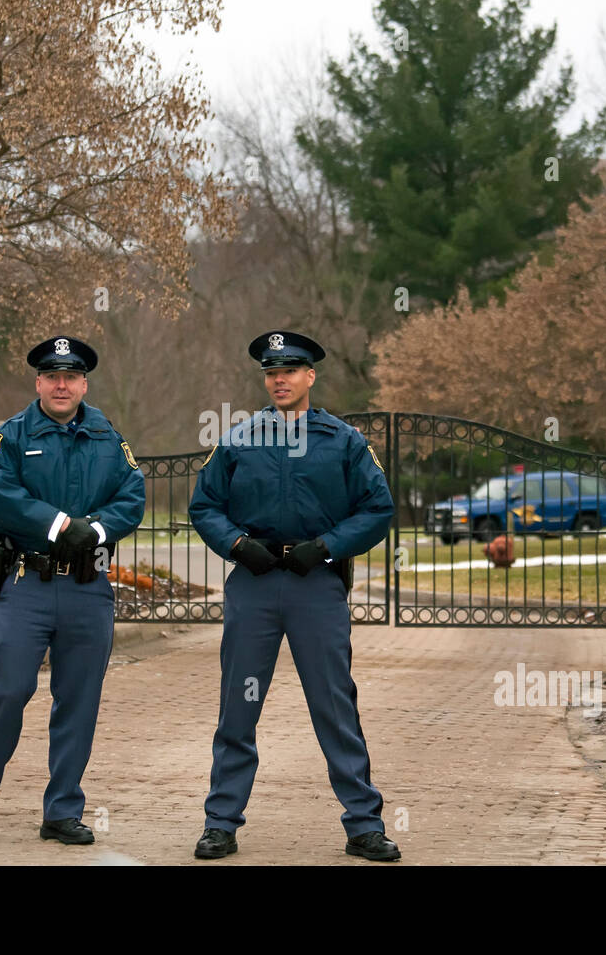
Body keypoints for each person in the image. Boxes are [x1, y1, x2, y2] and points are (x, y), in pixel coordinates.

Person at [187, 329, 400, 861]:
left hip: (315, 586)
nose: (278, 379)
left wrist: (327, 547)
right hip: (254, 586)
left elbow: (378, 508)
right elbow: (204, 505)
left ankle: (363, 825)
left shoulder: (344, 441)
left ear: (310, 376)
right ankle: (220, 823)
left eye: (289, 370)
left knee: (334, 704)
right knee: (239, 705)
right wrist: (237, 545)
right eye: (270, 371)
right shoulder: (239, 439)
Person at [0, 335, 145, 846]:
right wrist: (60, 525)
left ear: (83, 383)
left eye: (71, 377)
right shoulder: (9, 437)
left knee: (78, 700)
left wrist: (94, 532)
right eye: (52, 377)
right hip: (26, 585)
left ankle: (61, 812)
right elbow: (2, 496)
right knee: (7, 693)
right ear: (38, 382)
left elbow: (133, 496)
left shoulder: (107, 437)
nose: (61, 385)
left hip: (87, 587)